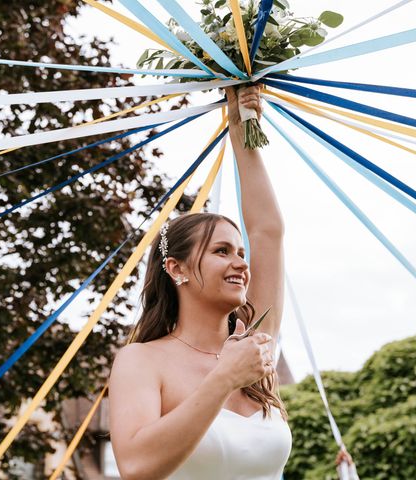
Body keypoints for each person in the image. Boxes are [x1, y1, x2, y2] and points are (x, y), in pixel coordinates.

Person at [108, 83, 290, 480]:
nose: (241, 263)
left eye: (240, 253)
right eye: (221, 252)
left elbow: (268, 232)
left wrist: (245, 127)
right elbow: (137, 466)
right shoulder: (141, 361)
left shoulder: (255, 345)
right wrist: (224, 377)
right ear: (177, 269)